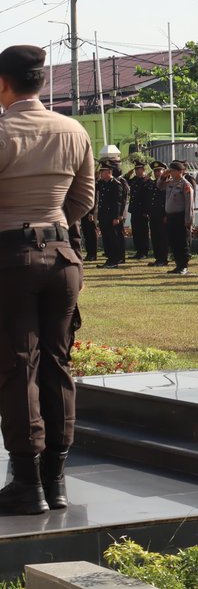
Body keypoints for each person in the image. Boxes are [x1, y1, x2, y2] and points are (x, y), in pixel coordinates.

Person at [0, 44, 95, 515]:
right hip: (62, 257)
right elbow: (83, 198)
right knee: (58, 365)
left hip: (10, 258)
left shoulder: (2, 130)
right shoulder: (73, 129)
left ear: (3, 83)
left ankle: (25, 481)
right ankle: (55, 482)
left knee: (18, 368)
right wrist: (52, 227)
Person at [158, 161, 194, 274]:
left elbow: (189, 204)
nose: (172, 173)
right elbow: (159, 185)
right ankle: (178, 265)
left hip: (181, 216)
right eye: (171, 171)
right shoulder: (170, 183)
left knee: (182, 242)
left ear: (180, 171)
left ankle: (184, 266)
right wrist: (163, 176)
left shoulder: (185, 184)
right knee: (173, 241)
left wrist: (188, 220)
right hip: (171, 217)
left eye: (174, 171)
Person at [96, 162, 124, 269]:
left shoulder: (116, 184)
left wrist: (116, 217)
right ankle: (109, 259)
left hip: (111, 216)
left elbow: (117, 202)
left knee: (113, 238)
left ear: (109, 172)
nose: (101, 174)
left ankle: (114, 260)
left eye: (103, 172)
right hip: (103, 216)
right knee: (106, 238)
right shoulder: (103, 183)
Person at [126, 162, 151, 258]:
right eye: (135, 169)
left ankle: (144, 252)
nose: (136, 171)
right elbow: (125, 181)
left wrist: (146, 211)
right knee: (136, 231)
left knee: (143, 232)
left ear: (143, 170)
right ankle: (138, 251)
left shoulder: (148, 181)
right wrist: (129, 173)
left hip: (143, 211)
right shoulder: (135, 180)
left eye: (138, 169)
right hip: (135, 210)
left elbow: (148, 198)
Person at [148, 161, 169, 267]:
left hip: (162, 215)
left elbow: (167, 201)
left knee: (162, 237)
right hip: (153, 214)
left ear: (164, 171)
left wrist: (166, 215)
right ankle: (158, 258)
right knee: (155, 237)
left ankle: (163, 258)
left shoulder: (167, 184)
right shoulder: (152, 183)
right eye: (155, 171)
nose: (156, 173)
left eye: (159, 171)